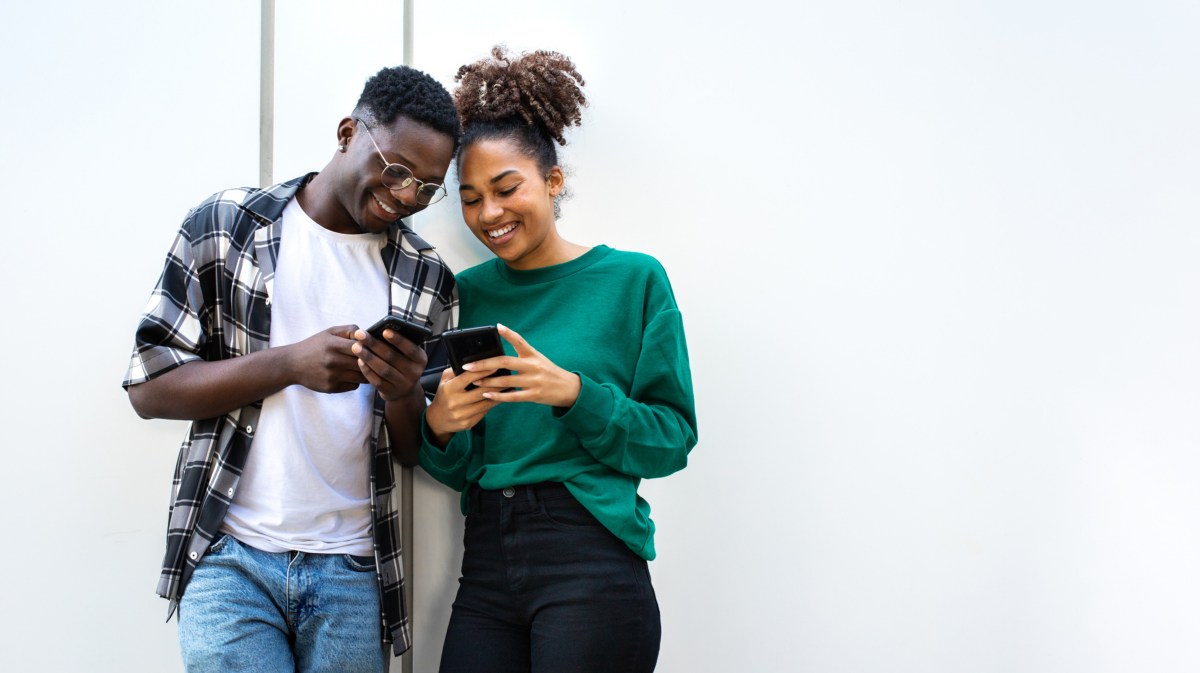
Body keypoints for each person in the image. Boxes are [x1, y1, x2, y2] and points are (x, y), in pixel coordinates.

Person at [123, 66, 461, 673]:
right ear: (348, 133)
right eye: (398, 170)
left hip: (354, 571)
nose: (407, 196)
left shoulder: (425, 278)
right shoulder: (226, 226)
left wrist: (405, 391)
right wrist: (288, 364)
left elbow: (411, 452)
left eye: (427, 187)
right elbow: (149, 388)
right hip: (230, 557)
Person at [420, 47, 699, 673]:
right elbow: (460, 467)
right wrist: (441, 425)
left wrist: (574, 393)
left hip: (590, 556)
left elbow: (672, 440)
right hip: (487, 556)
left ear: (552, 181)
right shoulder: (466, 294)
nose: (489, 213)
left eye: (506, 187)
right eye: (469, 198)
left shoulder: (633, 280)